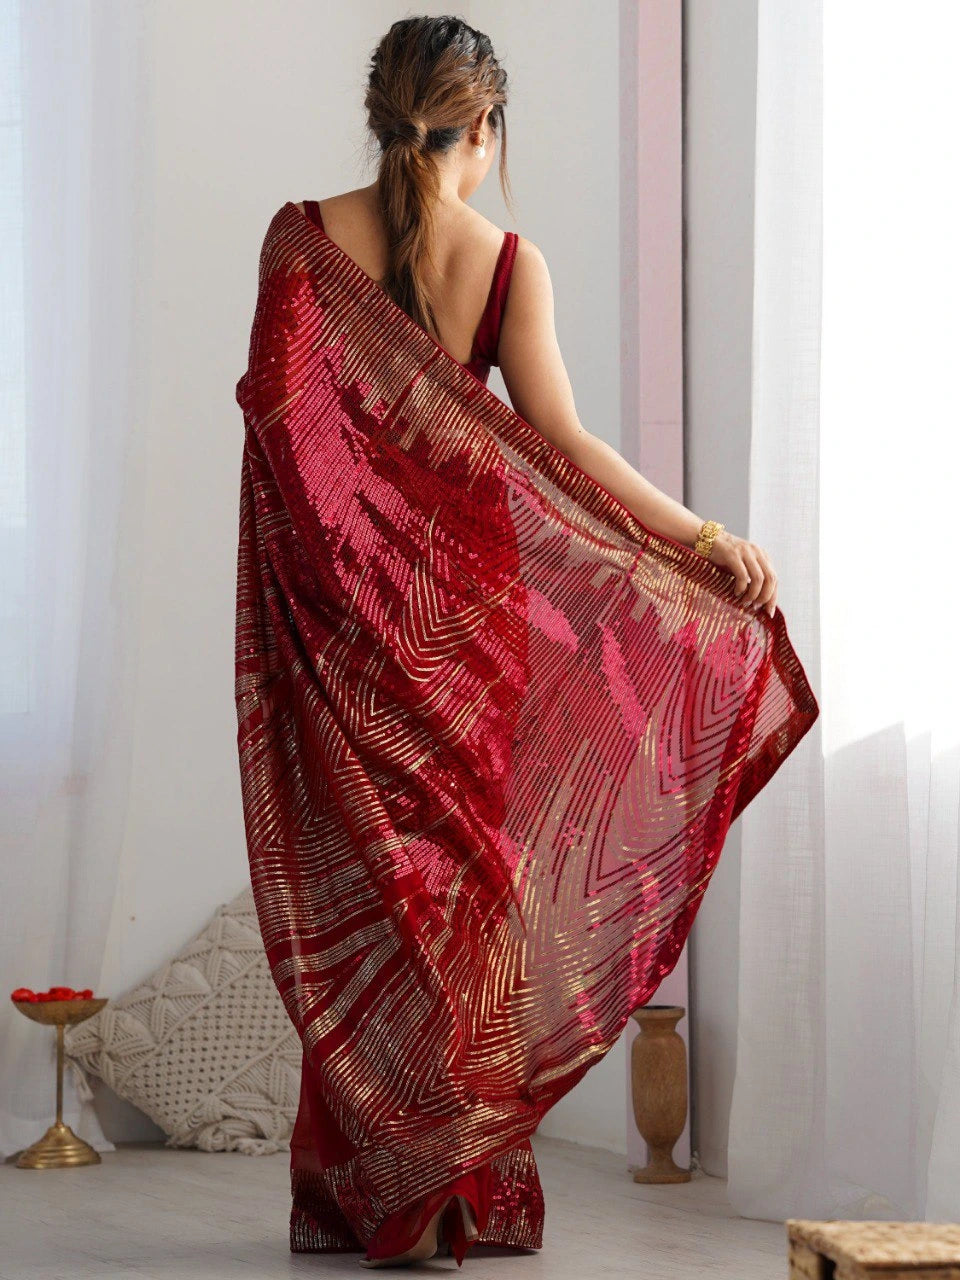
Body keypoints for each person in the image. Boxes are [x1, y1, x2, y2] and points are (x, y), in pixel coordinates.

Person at [234, 13, 817, 1271]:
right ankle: (449, 1195)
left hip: (351, 635)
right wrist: (703, 535)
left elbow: (286, 452)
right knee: (468, 916)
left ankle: (387, 1192)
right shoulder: (507, 262)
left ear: (385, 113)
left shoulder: (300, 244)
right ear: (484, 128)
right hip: (476, 630)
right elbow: (566, 446)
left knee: (387, 905)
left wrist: (337, 599)